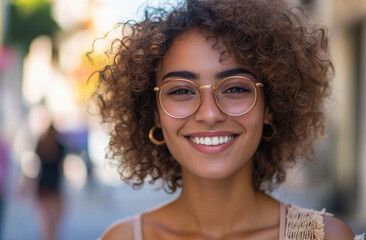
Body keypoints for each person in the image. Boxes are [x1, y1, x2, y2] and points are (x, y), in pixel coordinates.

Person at [94, 0, 365, 239]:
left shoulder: (325, 237)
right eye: (181, 90)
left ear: (270, 106)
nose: (210, 114)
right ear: (154, 114)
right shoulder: (122, 237)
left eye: (236, 88)